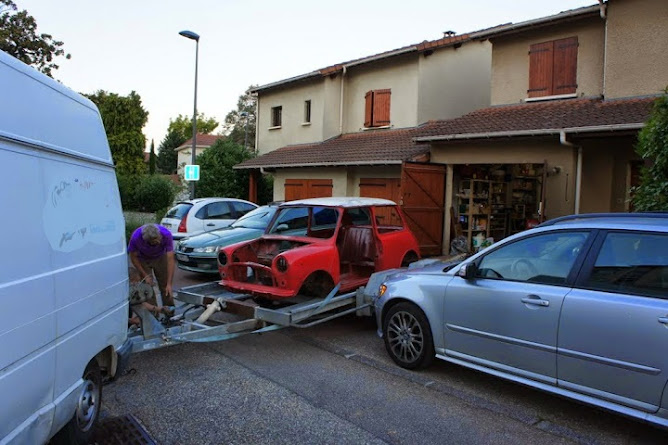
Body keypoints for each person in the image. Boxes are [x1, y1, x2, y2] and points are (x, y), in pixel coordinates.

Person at [127, 223, 176, 307]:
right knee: (147, 288)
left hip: (161, 257)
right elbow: (133, 257)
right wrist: (145, 275)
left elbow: (170, 260)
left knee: (165, 287)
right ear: (145, 240)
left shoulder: (166, 234)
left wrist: (169, 284)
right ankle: (153, 314)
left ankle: (169, 312)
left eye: (158, 240)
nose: (157, 242)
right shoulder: (135, 238)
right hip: (143, 259)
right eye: (153, 242)